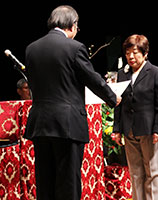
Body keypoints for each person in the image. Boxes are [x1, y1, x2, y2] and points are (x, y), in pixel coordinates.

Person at [24, 5, 121, 200]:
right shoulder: (75, 48)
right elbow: (92, 79)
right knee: (68, 181)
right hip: (67, 125)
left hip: (40, 124)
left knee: (45, 180)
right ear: (73, 25)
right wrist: (113, 98)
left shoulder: (31, 48)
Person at [113, 34, 158, 200]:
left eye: (135, 52)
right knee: (135, 172)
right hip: (129, 130)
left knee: (152, 171)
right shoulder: (123, 74)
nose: (131, 56)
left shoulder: (155, 72)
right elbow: (118, 103)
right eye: (128, 52)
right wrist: (117, 129)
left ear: (145, 54)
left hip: (149, 130)